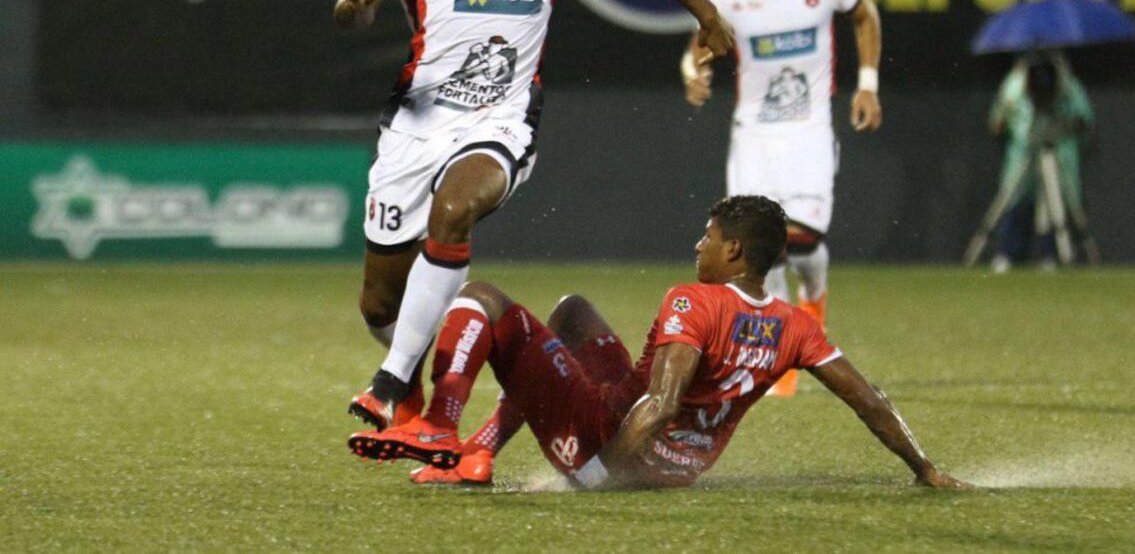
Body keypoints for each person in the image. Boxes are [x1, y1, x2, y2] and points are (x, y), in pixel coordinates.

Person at [335, 0, 734, 432]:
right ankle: (416, 374)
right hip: (418, 124)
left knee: (455, 209)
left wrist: (705, 10)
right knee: (380, 302)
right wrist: (356, 0)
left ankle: (393, 385)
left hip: (503, 120)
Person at [347, 195, 965, 491]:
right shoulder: (796, 323)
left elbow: (662, 402)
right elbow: (870, 400)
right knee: (572, 313)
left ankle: (440, 427)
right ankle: (479, 452)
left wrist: (599, 475)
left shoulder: (693, 299)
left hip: (612, 441)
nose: (698, 246)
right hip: (681, 466)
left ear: (733, 252)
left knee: (480, 296)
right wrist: (925, 469)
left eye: (708, 236)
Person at [680, 0, 882, 393]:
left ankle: (814, 295)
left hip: (809, 131)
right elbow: (701, 44)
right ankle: (777, 356)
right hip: (754, 135)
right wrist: (693, 69)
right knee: (752, 250)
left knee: (805, 241)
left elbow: (864, 14)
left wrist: (868, 84)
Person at [984, 52, 1096, 272]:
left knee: (1057, 203)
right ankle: (1009, 252)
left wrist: (1064, 123)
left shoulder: (1067, 85)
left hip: (1058, 152)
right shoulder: (1014, 83)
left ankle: (1051, 254)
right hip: (1023, 153)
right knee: (1016, 200)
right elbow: (997, 122)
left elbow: (1084, 120)